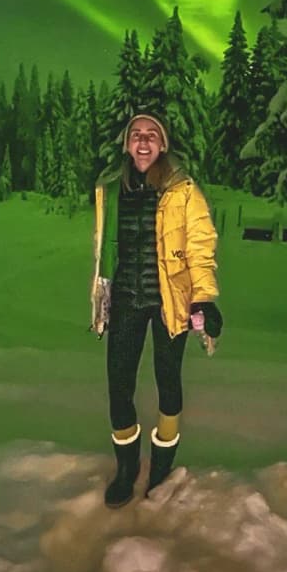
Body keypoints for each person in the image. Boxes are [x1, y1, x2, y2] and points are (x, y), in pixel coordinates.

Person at [89, 112, 224, 508]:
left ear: (162, 144)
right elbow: (105, 247)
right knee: (119, 386)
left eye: (152, 136)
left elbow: (201, 248)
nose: (143, 142)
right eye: (136, 136)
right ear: (127, 144)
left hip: (171, 301)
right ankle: (127, 470)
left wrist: (204, 299)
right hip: (128, 298)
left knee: (168, 384)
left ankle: (161, 471)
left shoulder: (183, 190)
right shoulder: (112, 189)